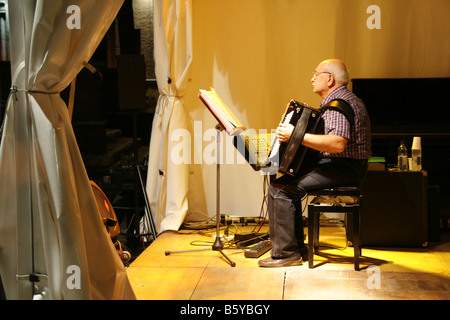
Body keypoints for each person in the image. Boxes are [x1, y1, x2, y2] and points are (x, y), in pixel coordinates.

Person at [258, 59, 371, 268]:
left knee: (280, 190)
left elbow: (337, 143)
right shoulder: (344, 100)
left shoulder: (339, 104)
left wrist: (296, 136)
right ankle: (296, 249)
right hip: (342, 166)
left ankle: (286, 254)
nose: (312, 78)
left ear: (329, 78)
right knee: (284, 184)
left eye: (315, 74)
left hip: (343, 168)